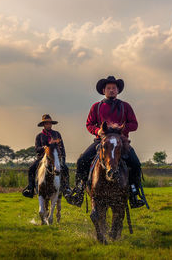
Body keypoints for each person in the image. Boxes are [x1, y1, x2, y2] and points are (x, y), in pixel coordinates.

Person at [65, 76, 145, 208]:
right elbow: (89, 124)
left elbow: (134, 124)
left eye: (114, 88)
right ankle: (79, 191)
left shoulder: (125, 106)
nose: (112, 90)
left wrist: (121, 130)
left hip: (121, 142)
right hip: (101, 141)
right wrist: (98, 131)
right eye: (109, 88)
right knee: (81, 161)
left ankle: (133, 194)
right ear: (104, 90)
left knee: (135, 163)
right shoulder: (96, 107)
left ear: (118, 90)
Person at [22, 114, 72, 198]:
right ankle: (31, 188)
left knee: (66, 169)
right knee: (31, 168)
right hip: (42, 158)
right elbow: (36, 149)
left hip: (56, 158)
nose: (48, 125)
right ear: (44, 125)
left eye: (50, 123)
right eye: (46, 123)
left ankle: (66, 188)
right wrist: (43, 148)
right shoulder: (39, 136)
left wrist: (62, 159)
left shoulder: (57, 134)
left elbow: (62, 148)